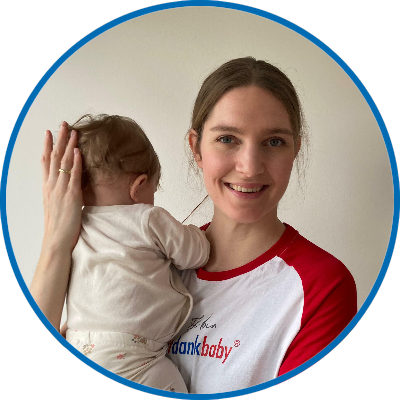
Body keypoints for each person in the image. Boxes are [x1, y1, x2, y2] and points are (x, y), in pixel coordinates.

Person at [30, 57, 357, 395]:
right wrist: (58, 241)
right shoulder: (144, 260)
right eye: (227, 139)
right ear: (196, 148)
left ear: (295, 150)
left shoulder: (321, 286)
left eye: (274, 141)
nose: (249, 167)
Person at [43, 114, 210, 393]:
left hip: (78, 343)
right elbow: (195, 254)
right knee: (173, 384)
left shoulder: (76, 228)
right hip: (132, 351)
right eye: (154, 188)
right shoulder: (147, 217)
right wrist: (198, 233)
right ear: (139, 185)